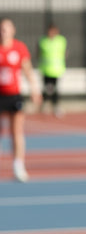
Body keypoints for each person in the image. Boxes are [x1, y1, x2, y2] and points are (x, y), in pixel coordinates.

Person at [0, 17, 41, 182]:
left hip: (14, 95)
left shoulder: (19, 48)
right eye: (1, 29)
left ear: (13, 30)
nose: (3, 32)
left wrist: (34, 89)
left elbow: (28, 70)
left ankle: (18, 165)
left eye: (6, 28)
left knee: (16, 131)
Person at [38, 22, 67, 117]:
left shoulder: (61, 40)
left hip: (57, 70)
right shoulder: (43, 41)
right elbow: (39, 53)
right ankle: (45, 104)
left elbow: (65, 53)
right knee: (48, 89)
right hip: (46, 70)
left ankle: (55, 106)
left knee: (55, 89)